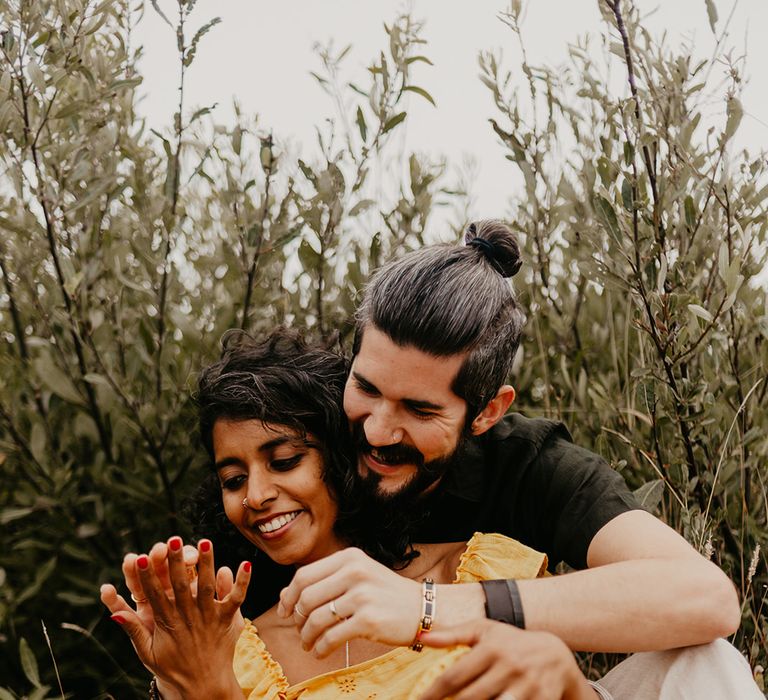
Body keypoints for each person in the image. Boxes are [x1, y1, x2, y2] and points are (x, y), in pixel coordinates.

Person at [276, 220, 762, 698]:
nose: (377, 429)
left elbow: (706, 597)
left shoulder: (529, 463)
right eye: (366, 387)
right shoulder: (304, 441)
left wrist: (431, 607)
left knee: (705, 662)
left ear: (488, 412)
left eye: (419, 409)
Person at [100, 329, 597, 699]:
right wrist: (193, 682)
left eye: (285, 461)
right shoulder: (242, 654)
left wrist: (571, 685)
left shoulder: (474, 572)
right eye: (232, 480)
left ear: (341, 455)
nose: (254, 495)